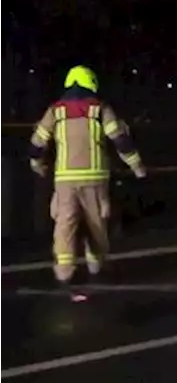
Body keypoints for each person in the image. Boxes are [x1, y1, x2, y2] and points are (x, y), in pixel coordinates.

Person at [29, 65, 146, 298]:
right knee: (96, 226)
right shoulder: (100, 109)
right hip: (95, 181)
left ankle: (64, 275)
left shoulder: (55, 111)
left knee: (64, 227)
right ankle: (97, 269)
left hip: (64, 181)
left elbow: (37, 144)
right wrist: (138, 167)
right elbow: (121, 141)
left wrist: (37, 165)